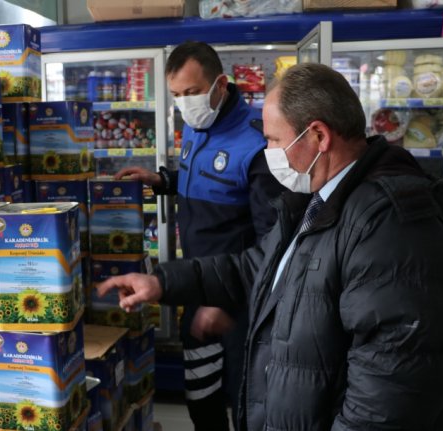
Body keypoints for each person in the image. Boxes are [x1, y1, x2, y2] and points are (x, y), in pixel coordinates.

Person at [100, 63, 443, 430]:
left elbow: (388, 398)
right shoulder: (317, 197)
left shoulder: (392, 226)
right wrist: (161, 283)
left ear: (318, 135)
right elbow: (256, 268)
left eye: (272, 139)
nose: (268, 151)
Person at [115, 41, 284, 430]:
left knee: (247, 406)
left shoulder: (259, 143)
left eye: (191, 92)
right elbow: (208, 180)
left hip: (240, 306)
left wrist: (226, 303)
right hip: (197, 291)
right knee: (202, 404)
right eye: (176, 95)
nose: (184, 104)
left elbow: (273, 242)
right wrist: (163, 181)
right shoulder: (195, 127)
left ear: (220, 84)